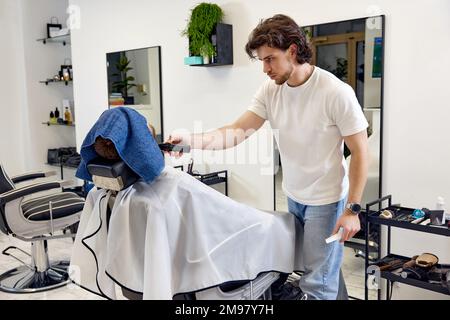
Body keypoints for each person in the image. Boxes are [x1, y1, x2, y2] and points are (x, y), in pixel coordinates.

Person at [167, 14, 369, 300]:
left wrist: (352, 211)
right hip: (294, 194)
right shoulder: (271, 91)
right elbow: (237, 131)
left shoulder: (335, 92)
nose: (265, 68)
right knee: (317, 268)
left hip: (327, 199)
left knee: (316, 284)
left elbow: (361, 152)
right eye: (262, 60)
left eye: (270, 59)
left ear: (293, 51)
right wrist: (190, 141)